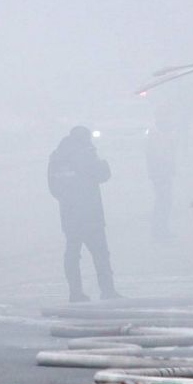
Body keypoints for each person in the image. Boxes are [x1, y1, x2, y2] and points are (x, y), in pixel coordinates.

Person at [48, 126, 121, 302]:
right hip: (90, 212)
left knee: (72, 254)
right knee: (100, 253)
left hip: (69, 213)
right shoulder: (85, 153)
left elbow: (53, 187)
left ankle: (75, 292)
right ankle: (107, 291)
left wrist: (67, 200)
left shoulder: (57, 157)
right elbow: (103, 175)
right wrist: (103, 163)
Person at [146, 107, 177, 242]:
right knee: (163, 201)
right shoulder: (156, 133)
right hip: (160, 172)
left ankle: (161, 229)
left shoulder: (164, 132)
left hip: (164, 172)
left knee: (165, 201)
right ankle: (159, 230)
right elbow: (156, 155)